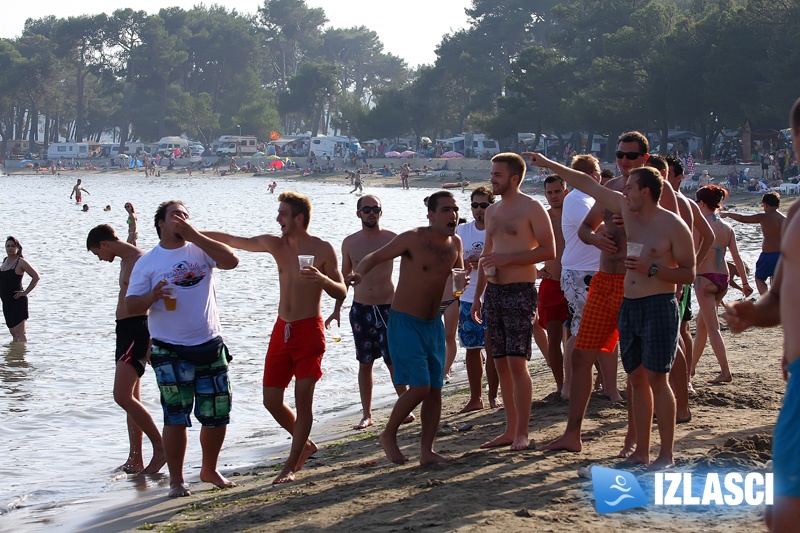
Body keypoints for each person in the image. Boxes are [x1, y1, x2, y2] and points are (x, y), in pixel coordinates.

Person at [527, 154, 695, 469]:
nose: (622, 188)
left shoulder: (673, 225)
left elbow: (688, 274)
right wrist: (549, 164)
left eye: (630, 186)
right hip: (629, 302)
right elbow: (587, 183)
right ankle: (641, 451)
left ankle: (666, 454)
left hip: (658, 305)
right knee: (635, 379)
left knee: (657, 378)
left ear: (645, 192)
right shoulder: (626, 215)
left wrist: (653, 267)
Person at [205, 192, 346, 484]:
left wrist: (323, 280)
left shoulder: (322, 248)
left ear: (299, 218)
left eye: (283, 214)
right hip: (282, 329)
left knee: (303, 400)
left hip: (309, 330)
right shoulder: (275, 244)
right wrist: (189, 235)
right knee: (271, 399)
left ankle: (291, 465)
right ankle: (304, 445)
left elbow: (341, 291)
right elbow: (233, 240)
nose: (278, 219)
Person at [126, 200, 239, 497]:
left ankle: (209, 469)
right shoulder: (148, 261)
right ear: (161, 223)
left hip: (210, 344)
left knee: (217, 414)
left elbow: (231, 261)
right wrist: (151, 296)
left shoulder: (201, 249)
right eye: (176, 215)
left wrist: (196, 234)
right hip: (169, 349)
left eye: (186, 215)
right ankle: (176, 480)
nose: (182, 219)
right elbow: (131, 304)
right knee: (175, 415)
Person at [723, 96, 800, 532]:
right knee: (780, 512)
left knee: (786, 513)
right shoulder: (795, 216)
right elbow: (781, 298)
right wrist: (752, 313)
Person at [346, 191, 464, 465]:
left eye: (455, 210)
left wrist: (461, 287)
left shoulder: (455, 243)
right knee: (420, 387)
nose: (453, 215)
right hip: (404, 323)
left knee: (435, 389)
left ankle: (427, 451)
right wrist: (359, 273)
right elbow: (374, 257)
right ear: (431, 215)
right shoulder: (413, 238)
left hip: (433, 323)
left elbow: (457, 279)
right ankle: (388, 434)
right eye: (446, 210)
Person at [471, 153, 555, 451]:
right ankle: (508, 429)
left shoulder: (532, 208)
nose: (492, 179)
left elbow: (548, 250)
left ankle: (522, 432)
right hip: (493, 292)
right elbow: (486, 258)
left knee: (517, 362)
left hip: (520, 290)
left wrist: (508, 259)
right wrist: (478, 295)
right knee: (501, 362)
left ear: (514, 178)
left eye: (497, 175)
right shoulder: (492, 212)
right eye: (492, 173)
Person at [326, 195, 412, 430]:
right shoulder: (349, 243)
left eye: (375, 209)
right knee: (365, 363)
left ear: (381, 213)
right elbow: (344, 280)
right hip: (361, 308)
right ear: (358, 213)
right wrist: (336, 310)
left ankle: (404, 406)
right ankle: (367, 414)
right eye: (366, 209)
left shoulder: (392, 239)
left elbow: (412, 270)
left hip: (389, 307)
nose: (371, 213)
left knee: (393, 359)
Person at [86, 224, 165, 475]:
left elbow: (158, 300)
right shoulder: (126, 258)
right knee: (133, 398)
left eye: (96, 252)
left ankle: (161, 448)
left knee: (121, 396)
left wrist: (152, 340)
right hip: (125, 330)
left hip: (137, 329)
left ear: (104, 244)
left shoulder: (141, 260)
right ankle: (135, 458)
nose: (98, 258)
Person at [690, 185, 750, 384]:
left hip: (704, 279)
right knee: (702, 325)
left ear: (703, 203)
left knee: (712, 327)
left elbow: (692, 253)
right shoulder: (727, 227)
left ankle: (725, 371)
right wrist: (745, 282)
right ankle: (690, 370)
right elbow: (737, 258)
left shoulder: (699, 225)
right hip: (722, 279)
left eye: (698, 202)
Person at [456, 186, 500, 412]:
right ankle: (476, 398)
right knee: (472, 349)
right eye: (475, 205)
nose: (479, 210)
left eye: (484, 205)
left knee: (493, 349)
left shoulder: (498, 230)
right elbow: (451, 265)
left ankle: (493, 396)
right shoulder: (462, 231)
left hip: (493, 295)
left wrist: (484, 262)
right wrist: (466, 264)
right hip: (467, 297)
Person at [537, 175, 570, 394]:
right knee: (554, 338)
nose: (553, 196)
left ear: (565, 192)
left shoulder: (575, 216)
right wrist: (535, 270)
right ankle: (561, 385)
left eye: (557, 191)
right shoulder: (543, 219)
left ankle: (598, 381)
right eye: (549, 192)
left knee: (583, 336)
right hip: (551, 283)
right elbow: (523, 246)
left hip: (575, 282)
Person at [720, 191, 785, 295]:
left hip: (768, 255)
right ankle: (778, 301)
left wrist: (728, 214)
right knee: (776, 279)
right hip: (782, 255)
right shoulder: (785, 219)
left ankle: (765, 300)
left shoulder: (764, 217)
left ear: (766, 205)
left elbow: (743, 219)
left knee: (759, 278)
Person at [1, 236, 40, 342]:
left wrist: (25, 292)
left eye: (13, 246)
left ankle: (22, 357)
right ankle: (14, 357)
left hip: (17, 300)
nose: (10, 248)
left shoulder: (21, 262)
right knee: (13, 332)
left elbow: (36, 277)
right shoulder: (5, 261)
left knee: (20, 333)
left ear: (18, 248)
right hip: (6, 300)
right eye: (8, 246)